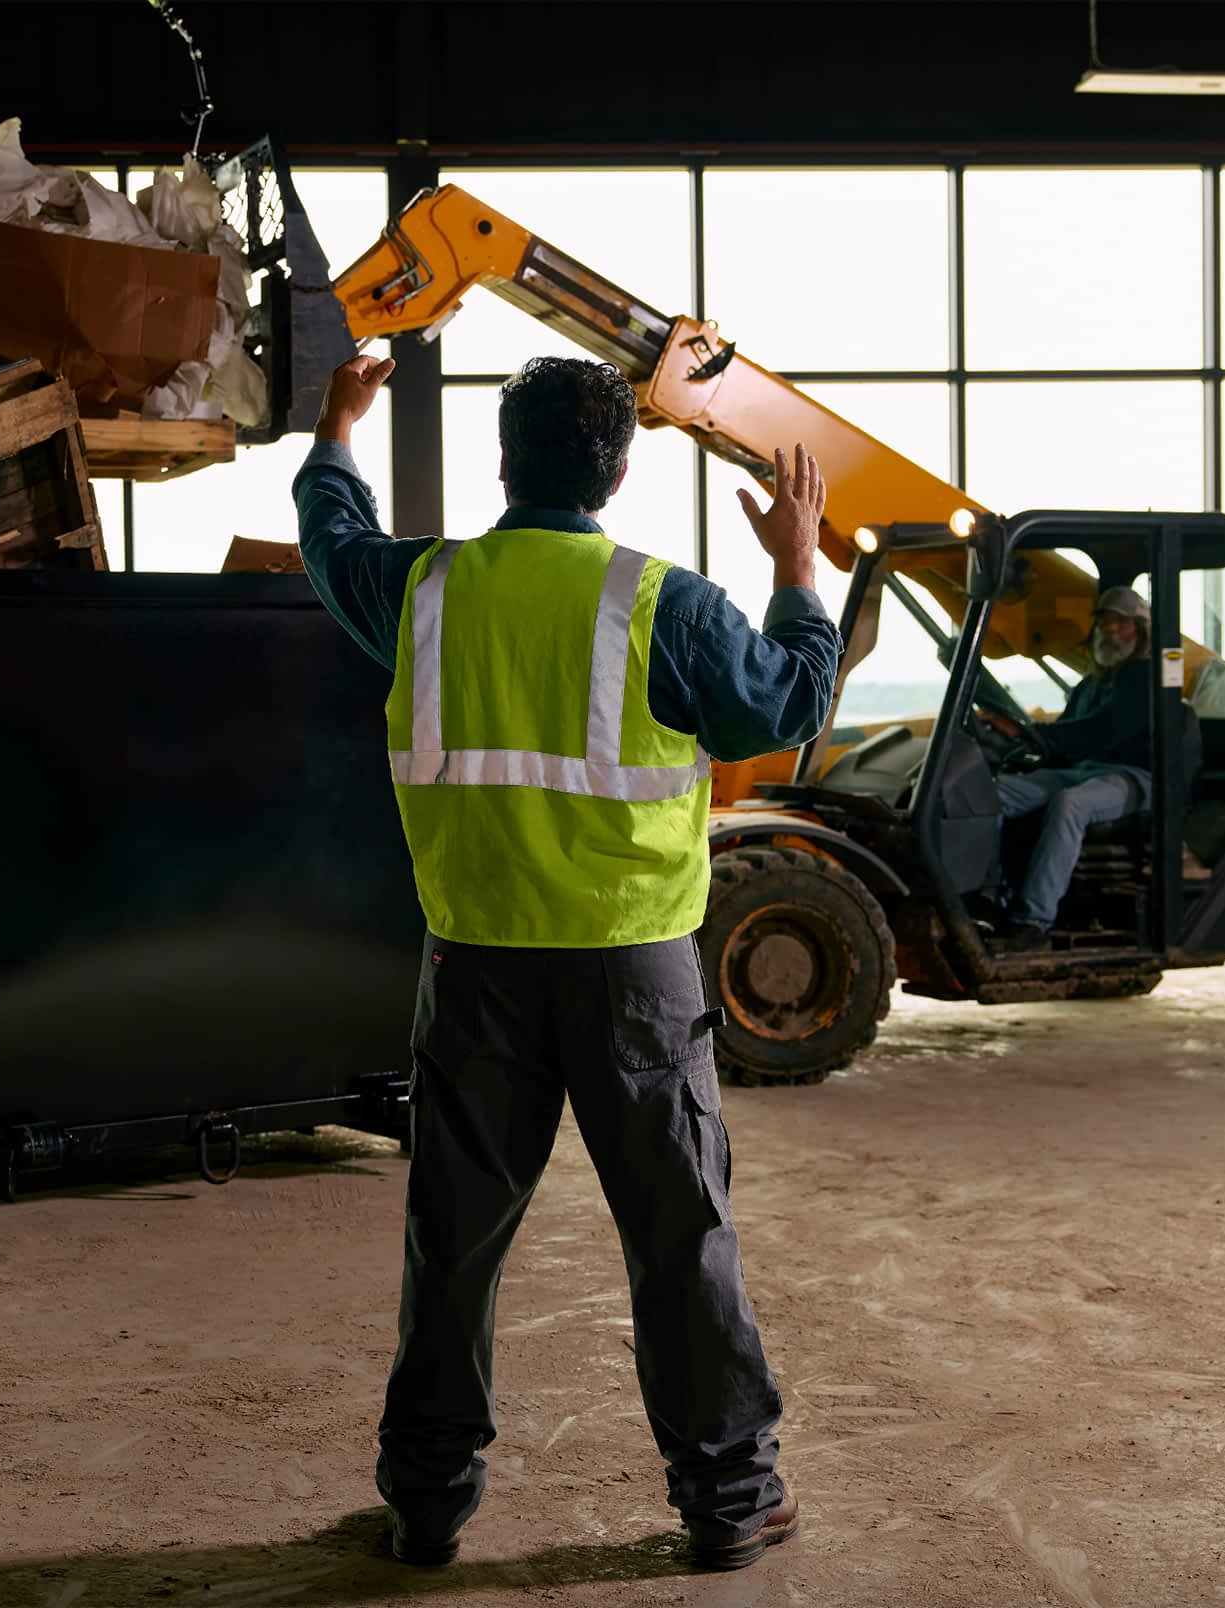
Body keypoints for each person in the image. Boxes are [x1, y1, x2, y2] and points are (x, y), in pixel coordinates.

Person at [293, 352, 841, 1571]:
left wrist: (336, 433)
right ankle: (731, 1500)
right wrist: (799, 563)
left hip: (476, 968)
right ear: (620, 469)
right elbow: (790, 706)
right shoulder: (664, 603)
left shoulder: (427, 589)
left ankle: (427, 1504)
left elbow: (332, 545)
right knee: (677, 1234)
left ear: (503, 459)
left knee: (455, 1239)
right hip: (633, 973)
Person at [979, 584, 1156, 949]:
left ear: (1138, 632)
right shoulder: (1091, 684)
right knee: (991, 793)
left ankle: (1033, 921)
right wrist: (1025, 742)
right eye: (1105, 621)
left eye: (1121, 623)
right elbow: (1068, 735)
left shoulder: (1143, 680)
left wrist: (1033, 732)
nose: (1110, 630)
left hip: (1132, 777)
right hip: (1084, 769)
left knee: (1070, 804)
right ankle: (989, 896)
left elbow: (1103, 731)